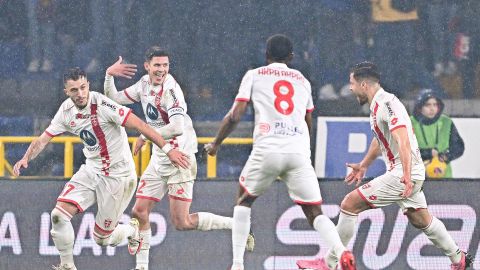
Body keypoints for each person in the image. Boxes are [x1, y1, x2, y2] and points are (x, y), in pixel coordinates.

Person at [204, 34, 356, 270]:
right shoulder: (303, 81)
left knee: (244, 201)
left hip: (268, 148)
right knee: (315, 211)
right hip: (298, 151)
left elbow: (236, 114)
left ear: (266, 55)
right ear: (292, 57)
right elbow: (308, 120)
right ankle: (341, 252)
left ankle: (237, 265)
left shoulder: (254, 75)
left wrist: (215, 143)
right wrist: (305, 151)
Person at [13, 67, 189, 270]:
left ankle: (133, 232)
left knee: (102, 239)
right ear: (66, 92)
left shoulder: (103, 105)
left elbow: (141, 125)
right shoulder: (66, 110)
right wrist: (26, 158)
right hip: (92, 169)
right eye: (74, 90)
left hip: (118, 176)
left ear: (88, 85)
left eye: (82, 88)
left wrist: (168, 150)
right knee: (58, 215)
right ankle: (67, 266)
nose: (80, 94)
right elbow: (44, 139)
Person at [103, 46, 254, 270]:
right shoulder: (143, 85)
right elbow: (113, 97)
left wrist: (145, 134)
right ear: (147, 66)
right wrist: (108, 75)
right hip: (160, 155)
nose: (161, 70)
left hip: (180, 158)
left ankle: (235, 225)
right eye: (157, 65)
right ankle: (142, 267)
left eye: (165, 65)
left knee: (182, 222)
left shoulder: (171, 90)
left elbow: (176, 127)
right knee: (139, 211)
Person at [324, 61, 473, 270]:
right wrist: (364, 164)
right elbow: (380, 140)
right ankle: (459, 259)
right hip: (406, 171)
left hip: (403, 172)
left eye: (352, 83)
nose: (350, 88)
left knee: (349, 204)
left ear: (364, 84)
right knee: (421, 219)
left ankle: (329, 264)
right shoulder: (377, 105)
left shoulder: (387, 104)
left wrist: (405, 173)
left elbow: (402, 139)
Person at [411, 89, 465, 178]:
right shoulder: (409, 122)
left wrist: (445, 157)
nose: (432, 108)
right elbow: (404, 151)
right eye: (427, 105)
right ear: (419, 107)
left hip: (444, 177)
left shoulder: (446, 122)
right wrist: (427, 154)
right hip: (417, 177)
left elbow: (458, 147)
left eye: (435, 105)